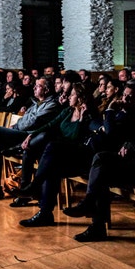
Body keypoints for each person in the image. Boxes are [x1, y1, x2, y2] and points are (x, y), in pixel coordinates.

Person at [63, 82, 135, 242]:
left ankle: (94, 219)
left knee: (101, 170)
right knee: (101, 161)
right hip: (134, 163)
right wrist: (126, 145)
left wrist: (130, 145)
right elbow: (134, 140)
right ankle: (95, 220)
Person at [13, 83, 98, 227]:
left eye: (72, 94)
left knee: (52, 147)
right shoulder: (67, 111)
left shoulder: (89, 115)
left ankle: (34, 187)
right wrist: (32, 135)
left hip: (80, 158)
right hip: (63, 155)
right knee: (51, 167)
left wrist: (82, 119)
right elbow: (50, 124)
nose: (68, 97)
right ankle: (45, 214)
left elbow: (77, 138)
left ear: (81, 98)